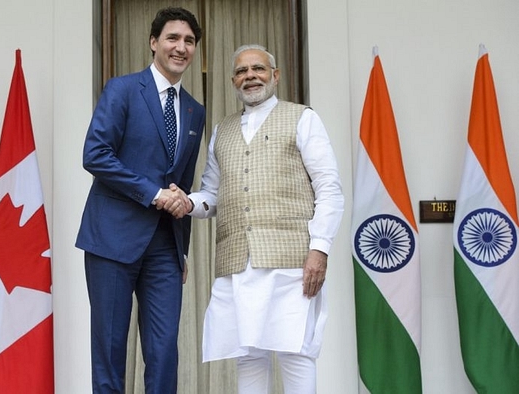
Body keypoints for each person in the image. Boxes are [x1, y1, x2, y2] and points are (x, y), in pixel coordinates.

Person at [178, 44, 344, 393]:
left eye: (258, 69)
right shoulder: (222, 131)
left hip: (291, 262)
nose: (250, 76)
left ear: (275, 75)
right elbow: (212, 195)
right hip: (238, 264)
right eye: (241, 71)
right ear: (233, 80)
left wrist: (320, 249)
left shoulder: (302, 117)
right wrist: (186, 203)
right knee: (248, 356)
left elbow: (329, 188)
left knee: (295, 353)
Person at [75, 7, 204, 394]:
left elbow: (180, 184)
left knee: (165, 352)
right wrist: (152, 193)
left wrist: (181, 250)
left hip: (165, 247)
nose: (180, 47)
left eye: (189, 41)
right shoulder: (123, 89)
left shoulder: (194, 110)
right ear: (154, 43)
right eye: (172, 38)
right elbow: (96, 154)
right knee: (110, 352)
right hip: (112, 241)